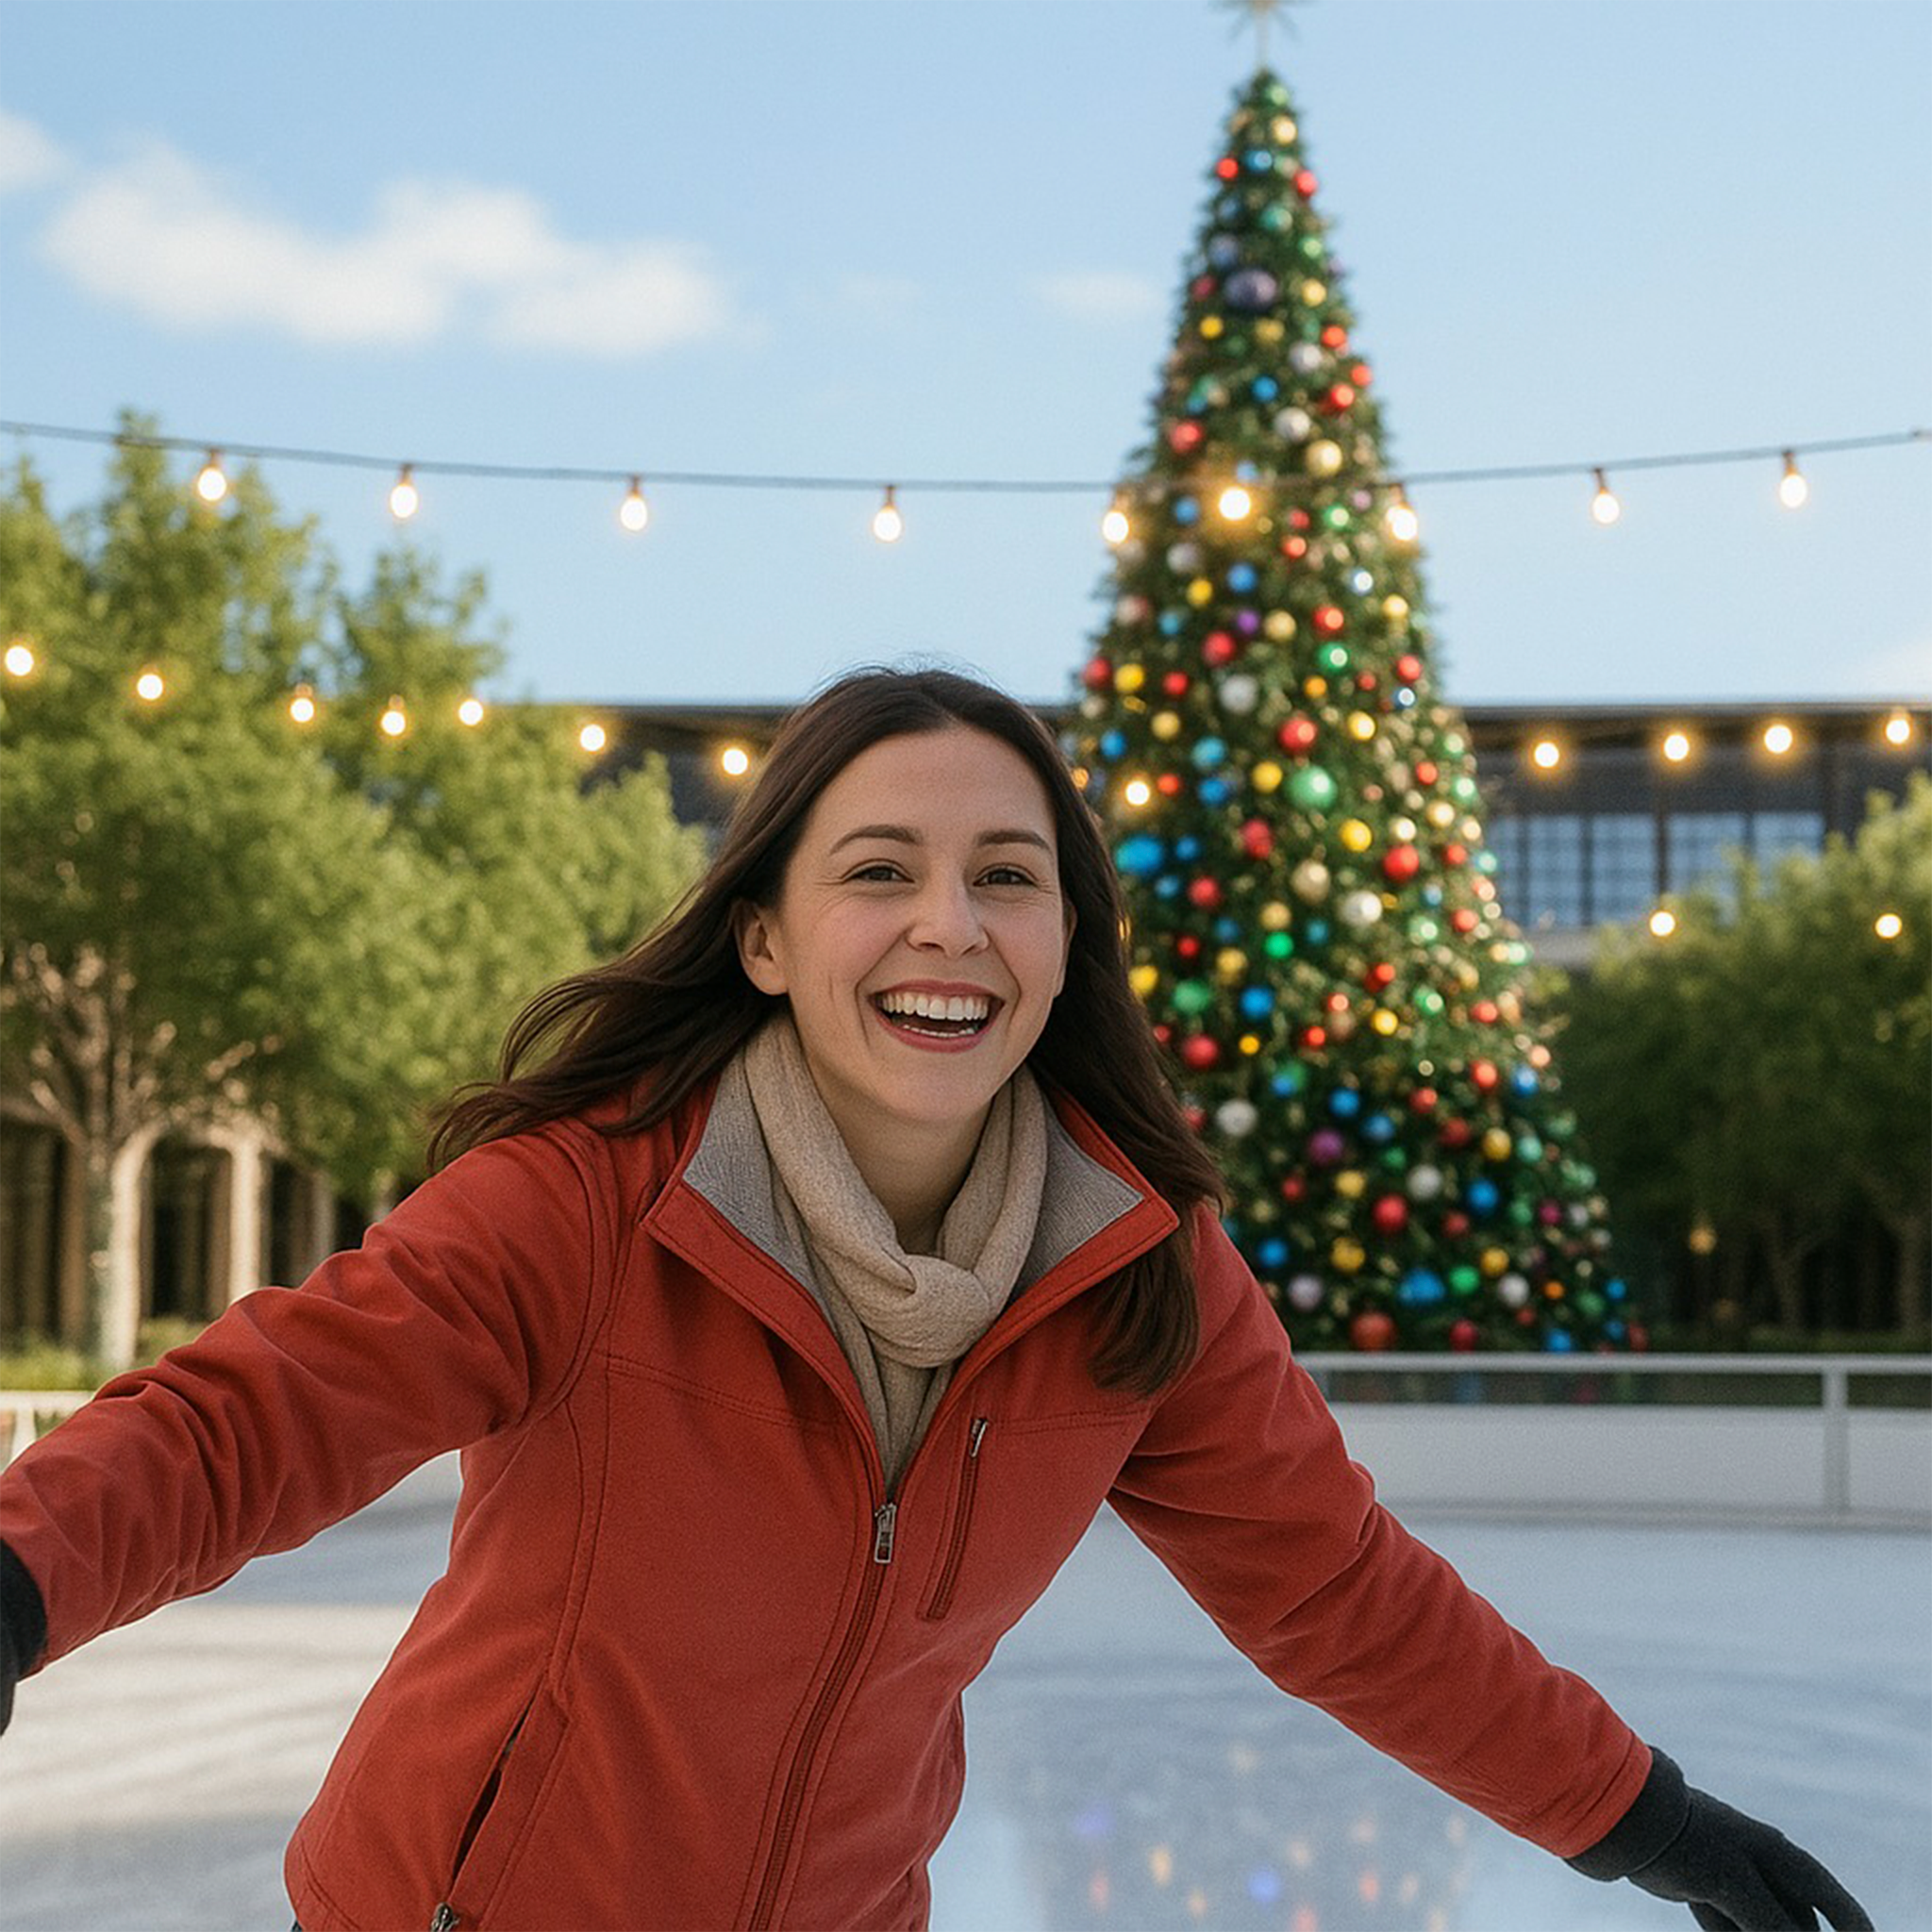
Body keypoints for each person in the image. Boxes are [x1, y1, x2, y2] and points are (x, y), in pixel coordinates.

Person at [0, 667, 1874, 1932]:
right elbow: (252, 1412)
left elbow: (1340, 1598)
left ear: (1062, 946)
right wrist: (19, 1579)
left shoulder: (1140, 1277)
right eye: (875, 871)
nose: (947, 925)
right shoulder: (586, 1206)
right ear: (765, 937)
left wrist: (1651, 1824)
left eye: (1006, 877)